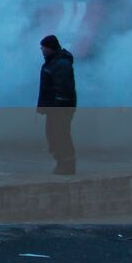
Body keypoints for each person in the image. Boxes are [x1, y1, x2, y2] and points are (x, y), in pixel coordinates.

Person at [37, 33, 77, 175]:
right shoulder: (52, 62)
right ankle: (62, 162)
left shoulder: (61, 64)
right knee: (53, 134)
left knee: (61, 134)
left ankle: (67, 164)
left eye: (43, 47)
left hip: (61, 108)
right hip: (54, 107)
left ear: (50, 48)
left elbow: (63, 88)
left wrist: (56, 105)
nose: (42, 50)